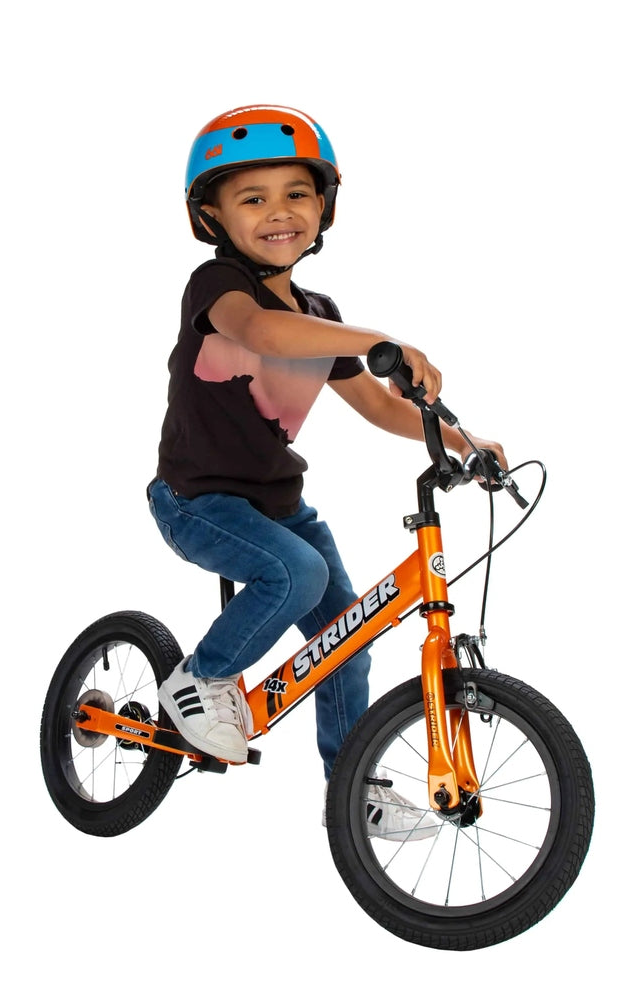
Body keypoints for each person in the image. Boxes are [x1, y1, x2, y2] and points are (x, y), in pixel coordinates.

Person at [149, 105, 506, 836]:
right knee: (298, 574)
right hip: (197, 500)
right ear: (212, 216)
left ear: (324, 208)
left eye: (297, 194)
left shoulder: (319, 313)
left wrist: (464, 442)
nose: (279, 212)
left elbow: (379, 406)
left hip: (278, 505)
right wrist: (376, 339)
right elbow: (262, 330)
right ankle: (200, 680)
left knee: (346, 636)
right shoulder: (218, 287)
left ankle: (352, 787)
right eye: (253, 198)